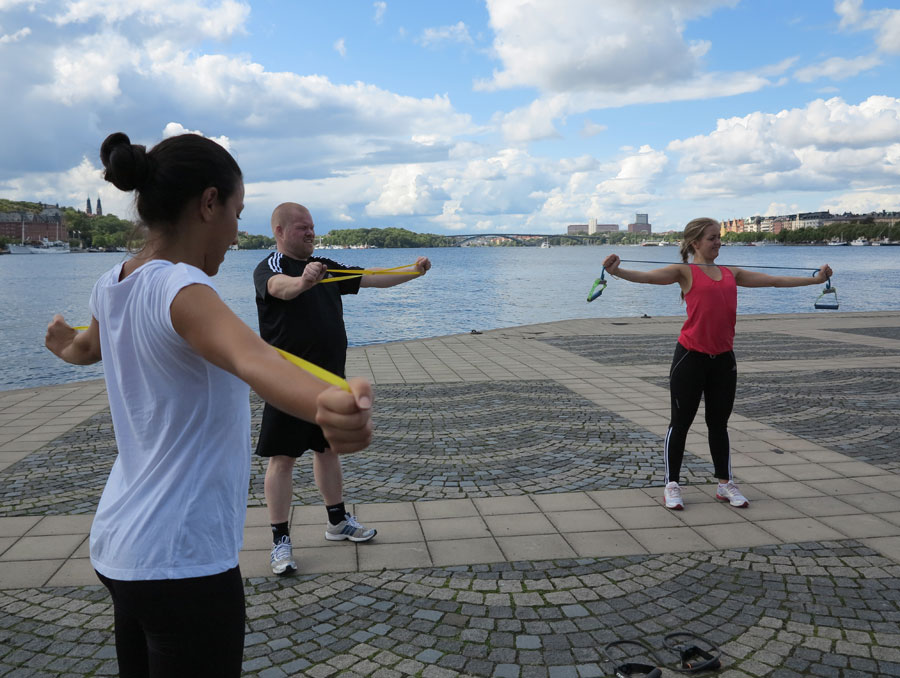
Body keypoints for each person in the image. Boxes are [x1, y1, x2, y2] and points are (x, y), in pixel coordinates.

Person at [45, 132, 373, 678]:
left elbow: (85, 349)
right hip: (181, 558)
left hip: (119, 546)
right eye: (236, 214)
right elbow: (255, 360)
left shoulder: (111, 282)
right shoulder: (184, 287)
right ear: (208, 203)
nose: (237, 233)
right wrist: (327, 403)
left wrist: (62, 344)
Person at [603, 217, 832, 511]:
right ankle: (672, 484)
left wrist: (815, 280)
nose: (718, 242)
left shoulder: (730, 273)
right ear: (695, 242)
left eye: (719, 237)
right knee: (680, 424)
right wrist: (617, 271)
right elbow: (647, 277)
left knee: (718, 424)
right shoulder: (684, 272)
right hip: (690, 358)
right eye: (712, 238)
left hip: (723, 360)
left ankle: (725, 484)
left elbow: (774, 280)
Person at [254, 202, 431, 575]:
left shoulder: (326, 266)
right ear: (279, 232)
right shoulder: (270, 266)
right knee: (283, 458)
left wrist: (413, 272)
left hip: (329, 381)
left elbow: (371, 277)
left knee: (328, 449)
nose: (310, 232)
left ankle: (337, 521)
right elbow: (280, 289)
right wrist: (304, 282)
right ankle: (280, 540)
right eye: (301, 227)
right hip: (286, 384)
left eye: (312, 226)